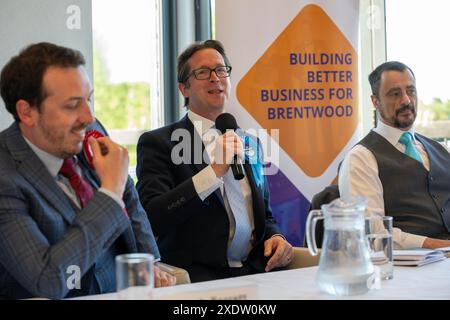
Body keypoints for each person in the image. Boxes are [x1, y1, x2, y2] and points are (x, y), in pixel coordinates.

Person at [0, 42, 175, 299]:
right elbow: (48, 280)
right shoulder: (6, 175)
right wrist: (109, 194)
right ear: (27, 112)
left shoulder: (86, 132)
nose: (88, 116)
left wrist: (149, 262)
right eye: (72, 105)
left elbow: (127, 193)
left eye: (88, 99)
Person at [136, 40, 293, 282]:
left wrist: (276, 237)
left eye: (221, 70)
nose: (215, 78)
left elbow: (265, 215)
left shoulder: (250, 143)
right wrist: (213, 172)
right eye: (202, 72)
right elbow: (153, 217)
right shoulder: (159, 143)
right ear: (183, 89)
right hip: (197, 276)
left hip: (256, 271)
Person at [339, 61, 450, 249]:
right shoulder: (361, 158)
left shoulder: (441, 149)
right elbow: (371, 234)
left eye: (411, 91)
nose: (406, 100)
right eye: (395, 94)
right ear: (375, 101)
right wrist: (437, 245)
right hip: (407, 269)